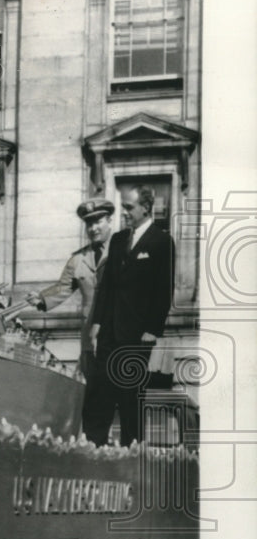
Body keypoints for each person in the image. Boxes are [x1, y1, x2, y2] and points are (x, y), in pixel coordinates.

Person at [84, 185, 175, 447]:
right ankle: (93, 455)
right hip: (109, 332)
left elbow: (163, 290)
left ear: (146, 208)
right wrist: (97, 323)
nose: (124, 213)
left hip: (137, 335)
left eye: (128, 207)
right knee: (99, 397)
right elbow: (108, 287)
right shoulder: (118, 239)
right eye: (123, 207)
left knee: (129, 399)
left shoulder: (161, 241)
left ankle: (130, 460)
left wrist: (152, 329)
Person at [26, 198, 114, 385]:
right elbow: (63, 287)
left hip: (119, 334)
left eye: (98, 221)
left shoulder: (124, 250)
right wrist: (41, 298)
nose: (93, 229)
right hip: (90, 338)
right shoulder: (78, 259)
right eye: (89, 224)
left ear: (109, 221)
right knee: (94, 390)